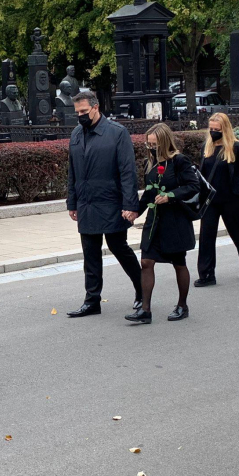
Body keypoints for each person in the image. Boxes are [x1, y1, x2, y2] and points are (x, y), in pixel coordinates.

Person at [66, 91, 144, 317]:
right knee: (90, 254)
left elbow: (128, 172)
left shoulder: (117, 133)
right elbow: (73, 171)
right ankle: (92, 301)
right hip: (87, 203)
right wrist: (73, 202)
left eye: (83, 111)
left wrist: (131, 205)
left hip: (111, 202)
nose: (80, 115)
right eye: (77, 112)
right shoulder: (76, 134)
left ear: (96, 107)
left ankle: (142, 291)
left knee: (119, 248)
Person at [126, 124, 200, 324]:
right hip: (154, 219)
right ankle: (145, 310)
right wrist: (135, 212)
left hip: (175, 220)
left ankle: (182, 305)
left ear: (165, 142)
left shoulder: (179, 161)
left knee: (178, 263)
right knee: (146, 261)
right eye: (148, 144)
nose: (150, 148)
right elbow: (149, 194)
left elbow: (193, 186)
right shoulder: (149, 162)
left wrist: (170, 196)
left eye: (154, 144)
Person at [194, 113, 239, 287]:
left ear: (225, 129)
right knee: (206, 236)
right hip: (210, 200)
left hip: (231, 199)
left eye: (217, 129)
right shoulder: (206, 148)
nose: (213, 132)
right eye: (211, 129)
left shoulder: (236, 148)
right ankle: (206, 274)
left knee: (236, 233)